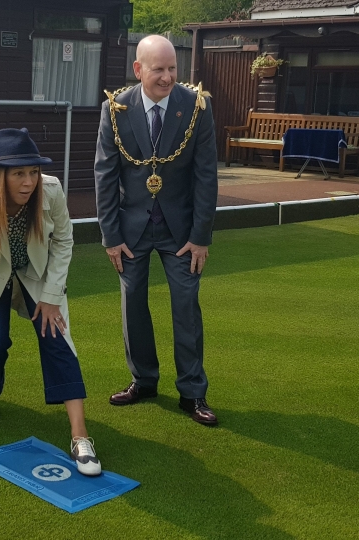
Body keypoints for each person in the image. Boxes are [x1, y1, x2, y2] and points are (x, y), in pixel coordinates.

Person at [0, 128, 101, 476]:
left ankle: (80, 436)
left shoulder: (51, 190)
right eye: (19, 173)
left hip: (39, 277)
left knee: (57, 340)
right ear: (0, 176)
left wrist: (50, 298)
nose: (29, 181)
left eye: (33, 171)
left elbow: (64, 241)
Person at [94, 35, 219, 426]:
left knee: (186, 307)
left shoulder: (197, 106)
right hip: (131, 232)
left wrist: (201, 236)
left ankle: (192, 393)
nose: (167, 78)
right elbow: (104, 175)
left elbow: (206, 176)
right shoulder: (114, 108)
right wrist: (111, 237)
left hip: (182, 233)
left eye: (173, 69)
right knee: (134, 307)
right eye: (158, 70)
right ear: (138, 69)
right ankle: (144, 381)